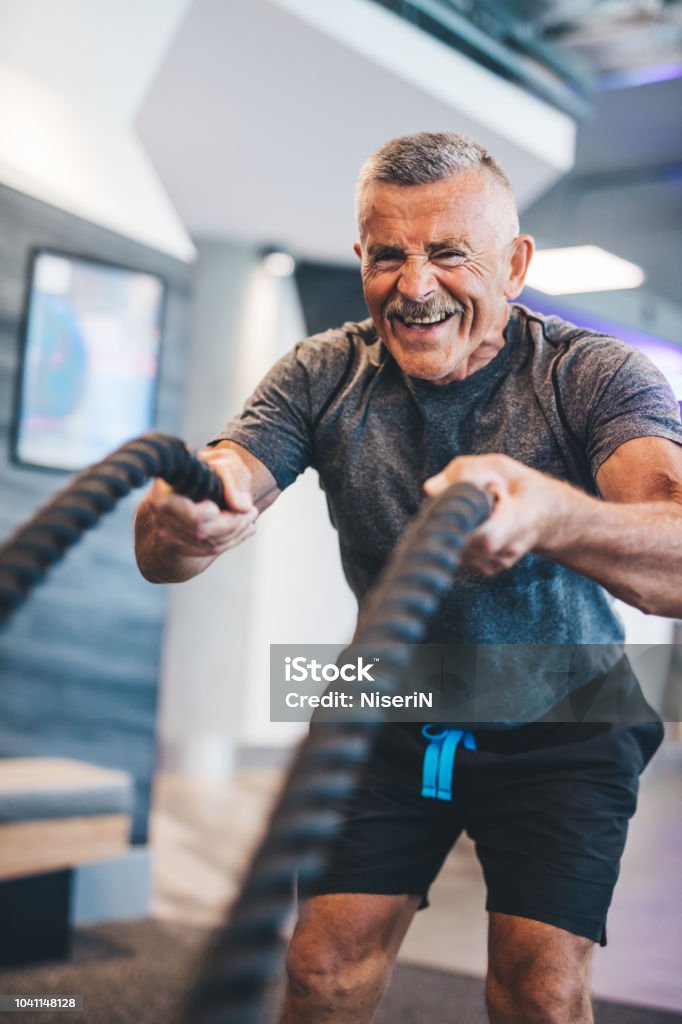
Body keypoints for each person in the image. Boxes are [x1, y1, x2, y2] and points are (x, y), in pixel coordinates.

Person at [134, 132, 682, 1024]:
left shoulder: (593, 375)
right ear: (360, 257)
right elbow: (191, 524)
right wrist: (189, 514)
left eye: (448, 254)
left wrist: (550, 513)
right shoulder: (324, 372)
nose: (414, 285)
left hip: (570, 712)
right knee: (319, 973)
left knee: (540, 989)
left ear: (515, 264)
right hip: (388, 698)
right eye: (388, 254)